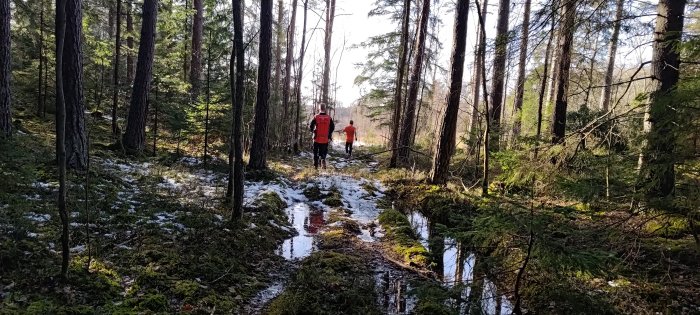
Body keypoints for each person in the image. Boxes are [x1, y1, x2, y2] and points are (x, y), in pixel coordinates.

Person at [309, 104, 335, 169]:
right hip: (325, 138)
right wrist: (329, 134)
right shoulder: (329, 118)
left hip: (317, 138)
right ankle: (323, 159)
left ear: (319, 109)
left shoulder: (316, 117)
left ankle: (316, 166)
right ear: (325, 109)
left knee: (315, 152)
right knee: (323, 151)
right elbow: (332, 127)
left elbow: (311, 126)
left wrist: (313, 131)